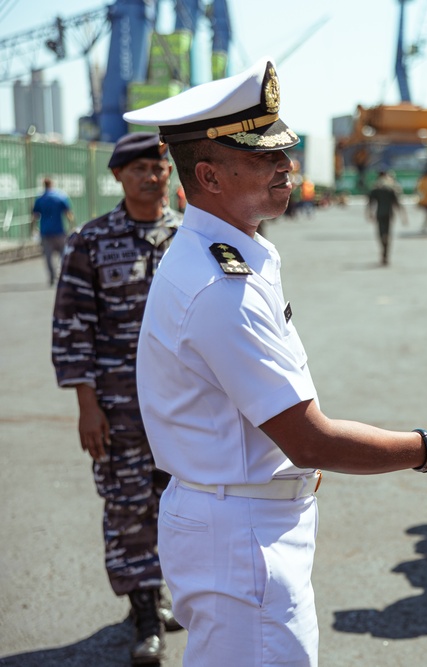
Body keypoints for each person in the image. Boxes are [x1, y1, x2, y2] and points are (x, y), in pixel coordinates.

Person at [124, 58, 427, 667]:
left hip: (244, 516)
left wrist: (292, 461)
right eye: (264, 156)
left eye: (282, 152)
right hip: (240, 532)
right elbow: (310, 439)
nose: (286, 165)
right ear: (208, 176)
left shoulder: (235, 256)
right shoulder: (221, 285)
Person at [51, 132, 182, 664]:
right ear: (118, 177)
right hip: (119, 407)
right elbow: (71, 325)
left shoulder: (191, 237)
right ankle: (145, 615)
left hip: (183, 410)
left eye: (159, 167)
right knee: (128, 508)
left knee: (180, 507)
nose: (152, 176)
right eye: (140, 169)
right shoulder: (91, 240)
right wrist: (87, 405)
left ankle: (163, 592)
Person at [31, 176, 75, 285]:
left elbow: (34, 215)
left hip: (45, 232)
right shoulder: (60, 197)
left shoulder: (40, 199)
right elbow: (68, 213)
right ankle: (62, 274)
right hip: (59, 231)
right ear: (52, 184)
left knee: (48, 256)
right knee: (63, 254)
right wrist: (72, 226)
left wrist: (32, 228)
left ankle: (52, 275)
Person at [366, 169, 408, 264]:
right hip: (389, 213)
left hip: (380, 213)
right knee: (388, 233)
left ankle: (383, 249)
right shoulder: (392, 187)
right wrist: (403, 217)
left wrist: (369, 213)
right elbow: (398, 203)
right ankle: (386, 253)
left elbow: (370, 202)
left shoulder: (376, 187)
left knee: (380, 233)